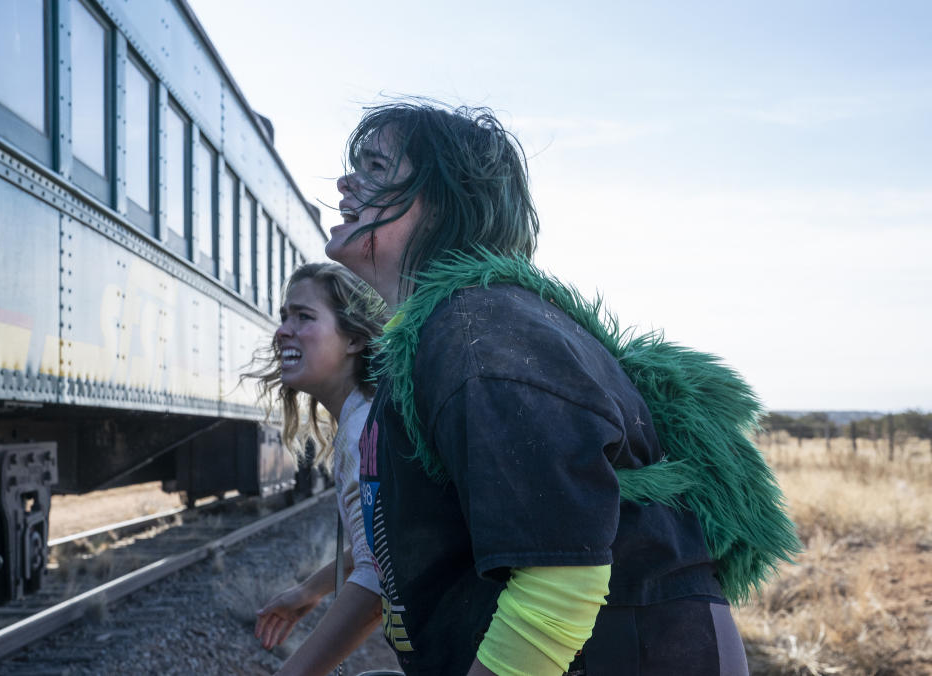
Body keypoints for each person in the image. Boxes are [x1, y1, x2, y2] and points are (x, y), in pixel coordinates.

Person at [326, 101, 801, 676]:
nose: (345, 183)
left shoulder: (478, 330)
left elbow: (559, 580)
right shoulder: (442, 332)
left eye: (376, 167)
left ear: (443, 203)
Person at [247, 262, 388, 676]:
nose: (283, 331)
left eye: (304, 317)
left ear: (355, 339)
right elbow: (384, 545)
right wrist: (311, 590)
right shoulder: (367, 415)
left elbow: (380, 578)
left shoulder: (364, 432)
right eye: (284, 317)